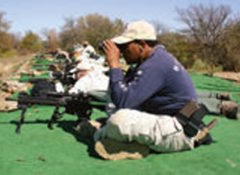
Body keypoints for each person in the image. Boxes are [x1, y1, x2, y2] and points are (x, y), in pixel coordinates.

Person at [91, 20, 215, 160]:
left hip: (181, 131)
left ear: (142, 45)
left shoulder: (156, 65)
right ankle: (112, 133)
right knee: (117, 116)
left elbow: (123, 102)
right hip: (170, 121)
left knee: (119, 120)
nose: (121, 52)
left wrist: (114, 64)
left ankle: (98, 133)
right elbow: (121, 94)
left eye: (125, 47)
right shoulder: (152, 60)